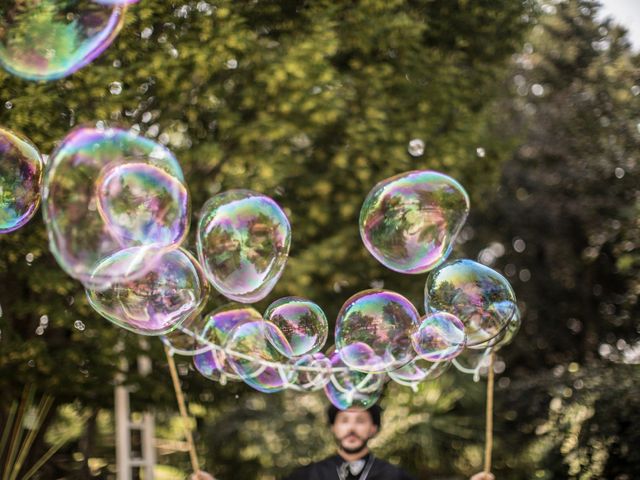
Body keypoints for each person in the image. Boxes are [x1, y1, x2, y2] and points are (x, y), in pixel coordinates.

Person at [191, 404, 495, 480]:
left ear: (373, 428)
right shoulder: (307, 475)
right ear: (333, 428)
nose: (352, 427)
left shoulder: (395, 476)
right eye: (344, 420)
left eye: (361, 420)